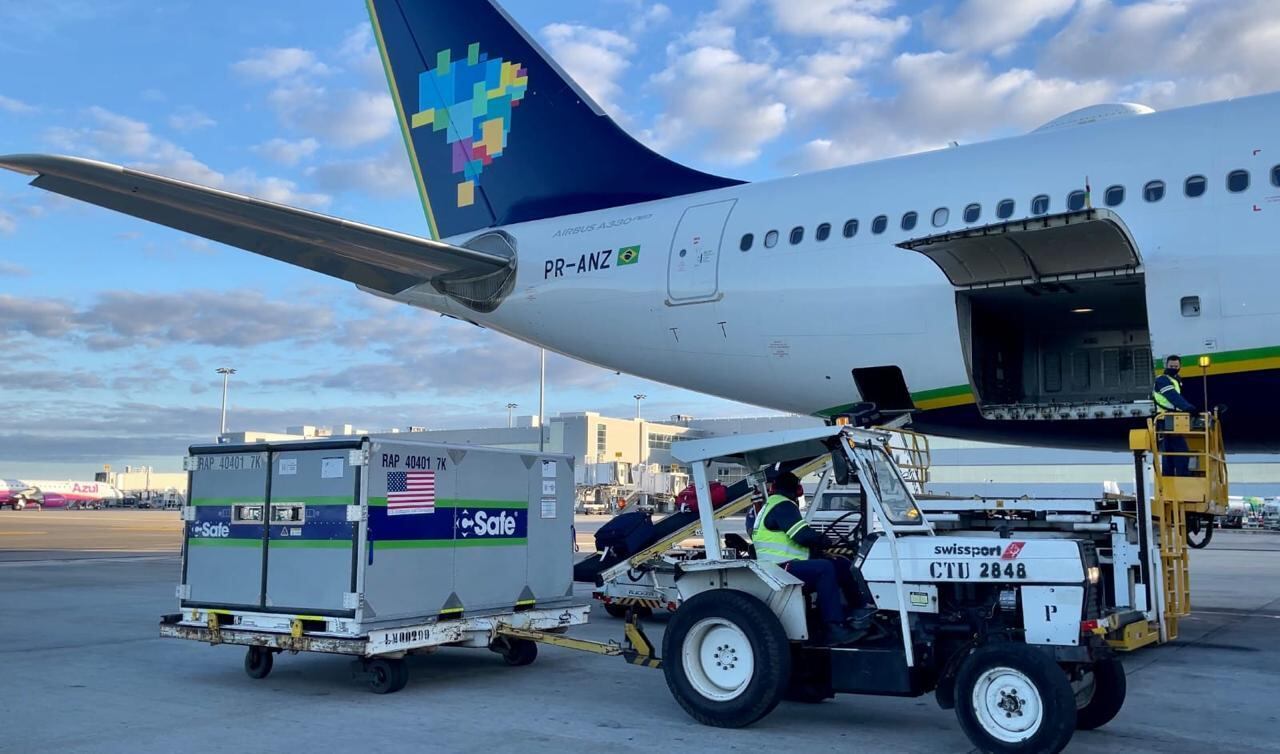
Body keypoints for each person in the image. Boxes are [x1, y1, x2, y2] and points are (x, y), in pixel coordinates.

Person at [752, 470, 867, 645]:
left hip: (779, 566)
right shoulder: (783, 506)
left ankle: (859, 610)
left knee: (841, 564)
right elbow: (802, 535)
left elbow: (797, 540)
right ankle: (834, 628)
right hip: (779, 569)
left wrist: (822, 546)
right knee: (824, 569)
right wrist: (826, 540)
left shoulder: (772, 504)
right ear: (798, 490)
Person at [1153, 354, 1198, 476]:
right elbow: (1172, 396)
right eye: (1171, 366)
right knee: (1177, 451)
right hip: (1165, 419)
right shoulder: (1162, 379)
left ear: (1180, 366)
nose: (1174, 368)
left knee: (1171, 452)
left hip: (1173, 419)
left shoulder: (1176, 380)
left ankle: (1173, 479)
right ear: (1166, 366)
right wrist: (1188, 408)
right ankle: (1180, 479)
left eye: (1176, 366)